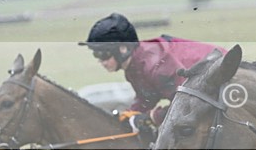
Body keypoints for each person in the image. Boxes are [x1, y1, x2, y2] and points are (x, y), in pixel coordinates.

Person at [79, 13, 226, 140]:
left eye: (103, 54)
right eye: (95, 54)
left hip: (225, 75)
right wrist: (131, 115)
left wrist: (152, 117)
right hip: (201, 86)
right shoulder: (133, 65)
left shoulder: (156, 66)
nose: (100, 61)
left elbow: (186, 106)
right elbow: (146, 96)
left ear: (123, 49)